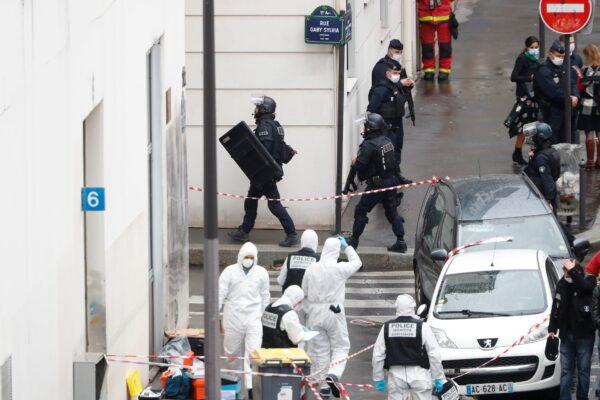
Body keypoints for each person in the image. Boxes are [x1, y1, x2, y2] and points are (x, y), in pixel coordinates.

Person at [228, 95, 300, 247]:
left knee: (274, 205)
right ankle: (244, 232)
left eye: (257, 107)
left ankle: (292, 234)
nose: (254, 110)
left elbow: (263, 152)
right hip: (263, 174)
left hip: (265, 173)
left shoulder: (265, 127)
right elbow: (279, 146)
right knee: (250, 201)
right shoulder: (275, 125)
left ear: (264, 109)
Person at [302, 237, 362, 397]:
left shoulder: (312, 268)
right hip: (334, 310)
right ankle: (334, 374)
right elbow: (357, 263)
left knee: (320, 350)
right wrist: (348, 247)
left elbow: (304, 292)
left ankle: (323, 386)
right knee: (341, 346)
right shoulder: (339, 268)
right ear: (337, 251)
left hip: (315, 312)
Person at [345, 113, 408, 253]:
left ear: (371, 128)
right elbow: (393, 163)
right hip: (391, 182)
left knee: (361, 210)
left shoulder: (369, 145)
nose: (364, 128)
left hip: (377, 185)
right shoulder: (387, 141)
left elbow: (360, 166)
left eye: (366, 126)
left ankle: (354, 240)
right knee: (392, 213)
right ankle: (401, 241)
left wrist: (355, 161)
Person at [218, 242, 270, 397]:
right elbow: (220, 293)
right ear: (240, 257)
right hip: (233, 318)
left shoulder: (261, 273)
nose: (248, 260)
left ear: (256, 258)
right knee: (232, 354)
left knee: (252, 354)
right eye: (246, 257)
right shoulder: (229, 272)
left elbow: (265, 296)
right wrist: (216, 315)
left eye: (251, 257)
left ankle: (249, 388)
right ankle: (234, 386)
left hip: (253, 319)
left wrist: (263, 317)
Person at [372, 295, 445, 399]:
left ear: (397, 307)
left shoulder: (387, 327)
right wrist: (438, 377)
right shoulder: (422, 326)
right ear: (413, 308)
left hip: (396, 376)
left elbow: (378, 355)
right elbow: (434, 354)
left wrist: (378, 378)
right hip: (419, 375)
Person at [549, 258, 596, 400]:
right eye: (565, 270)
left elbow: (585, 288)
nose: (566, 274)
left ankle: (582, 397)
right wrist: (552, 327)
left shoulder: (588, 280)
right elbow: (556, 305)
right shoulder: (562, 283)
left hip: (584, 335)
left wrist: (573, 271)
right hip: (566, 334)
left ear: (576, 270)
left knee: (583, 370)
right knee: (566, 371)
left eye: (568, 270)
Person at [369, 62, 414, 186]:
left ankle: (396, 176)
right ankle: (387, 185)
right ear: (387, 73)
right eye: (395, 73)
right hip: (386, 128)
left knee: (397, 150)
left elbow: (400, 100)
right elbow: (371, 109)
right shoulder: (381, 89)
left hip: (397, 124)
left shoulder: (395, 86)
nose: (397, 76)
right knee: (387, 156)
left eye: (399, 74)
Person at [534, 40, 579, 144]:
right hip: (551, 111)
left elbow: (572, 83)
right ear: (550, 54)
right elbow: (553, 92)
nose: (561, 59)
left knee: (568, 141)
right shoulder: (544, 70)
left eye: (563, 57)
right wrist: (570, 98)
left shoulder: (565, 67)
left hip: (567, 110)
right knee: (553, 142)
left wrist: (576, 95)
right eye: (558, 56)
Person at [508, 36, 540, 165]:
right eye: (532, 47)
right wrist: (529, 78)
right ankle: (518, 152)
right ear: (527, 48)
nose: (534, 50)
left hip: (534, 97)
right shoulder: (522, 59)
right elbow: (514, 77)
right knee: (524, 127)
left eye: (536, 47)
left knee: (532, 126)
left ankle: (530, 152)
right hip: (524, 97)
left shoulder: (537, 59)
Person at [524, 122, 561, 211]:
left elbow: (547, 180)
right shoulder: (549, 150)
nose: (530, 138)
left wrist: (548, 200)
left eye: (533, 136)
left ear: (540, 138)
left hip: (541, 196)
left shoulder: (541, 158)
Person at [418, 0, 454, 81]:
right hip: (426, 16)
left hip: (444, 16)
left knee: (445, 46)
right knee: (427, 46)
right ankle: (429, 70)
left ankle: (444, 71)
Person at [578, 44, 600, 169]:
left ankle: (590, 161)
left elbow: (580, 87)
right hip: (599, 105)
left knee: (589, 133)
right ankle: (599, 161)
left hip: (587, 104)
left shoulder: (585, 69)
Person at [559, 34, 584, 143]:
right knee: (562, 128)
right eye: (569, 42)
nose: (571, 45)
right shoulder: (559, 58)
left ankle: (572, 154)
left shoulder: (577, 58)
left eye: (572, 42)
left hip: (575, 98)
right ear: (562, 43)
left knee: (573, 128)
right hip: (562, 98)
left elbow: (580, 76)